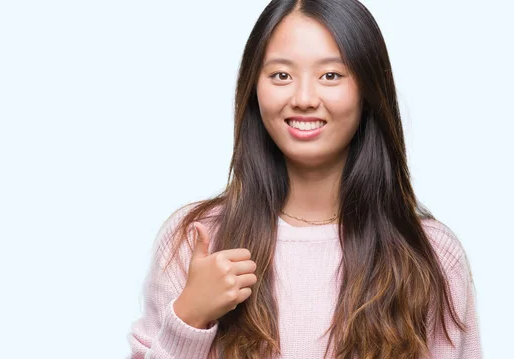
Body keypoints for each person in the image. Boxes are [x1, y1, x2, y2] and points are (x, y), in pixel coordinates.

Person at [127, 0, 482, 358]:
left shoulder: (430, 255)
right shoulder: (196, 240)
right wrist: (189, 316)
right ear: (254, 89)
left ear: (368, 89)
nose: (304, 98)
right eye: (281, 75)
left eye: (331, 75)